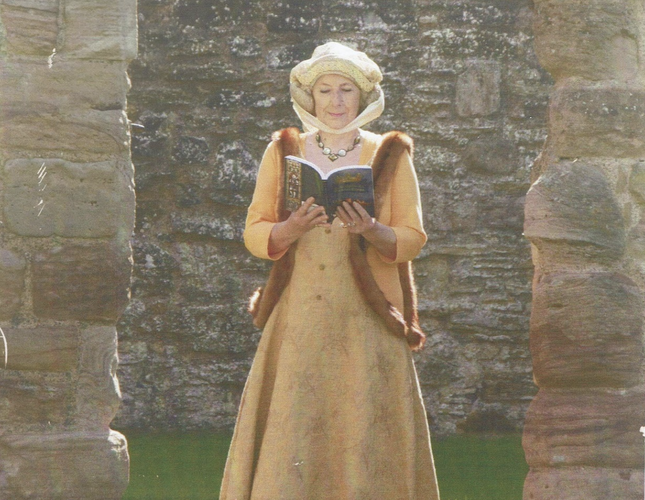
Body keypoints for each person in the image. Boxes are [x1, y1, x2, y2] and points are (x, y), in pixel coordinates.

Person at [220, 42, 441, 500]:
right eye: (326, 90)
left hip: (369, 318)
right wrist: (290, 227)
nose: (336, 101)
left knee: (363, 424)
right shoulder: (283, 150)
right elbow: (254, 233)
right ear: (311, 97)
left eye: (346, 90)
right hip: (298, 316)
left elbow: (413, 238)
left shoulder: (391, 154)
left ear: (362, 98)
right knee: (295, 423)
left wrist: (374, 231)